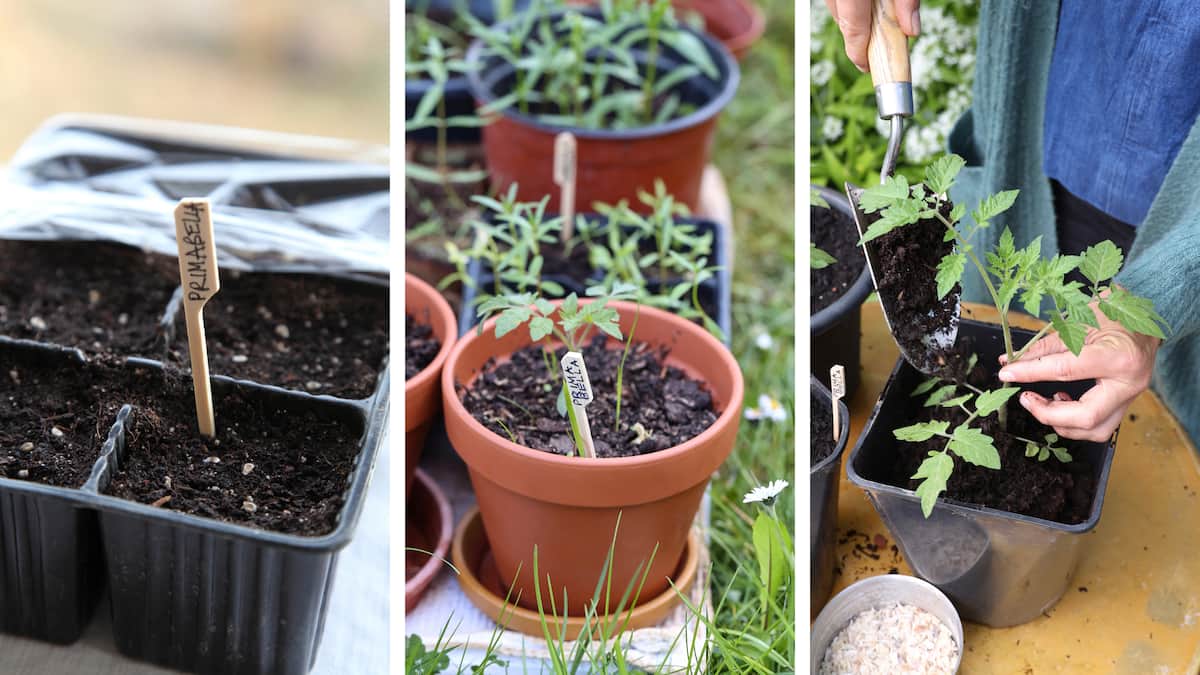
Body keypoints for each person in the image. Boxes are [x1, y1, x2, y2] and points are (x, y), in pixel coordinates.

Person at [825, 0, 1200, 445]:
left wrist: (1165, 293)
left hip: (1174, 198)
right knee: (999, 348)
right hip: (1050, 104)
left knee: (1146, 429)